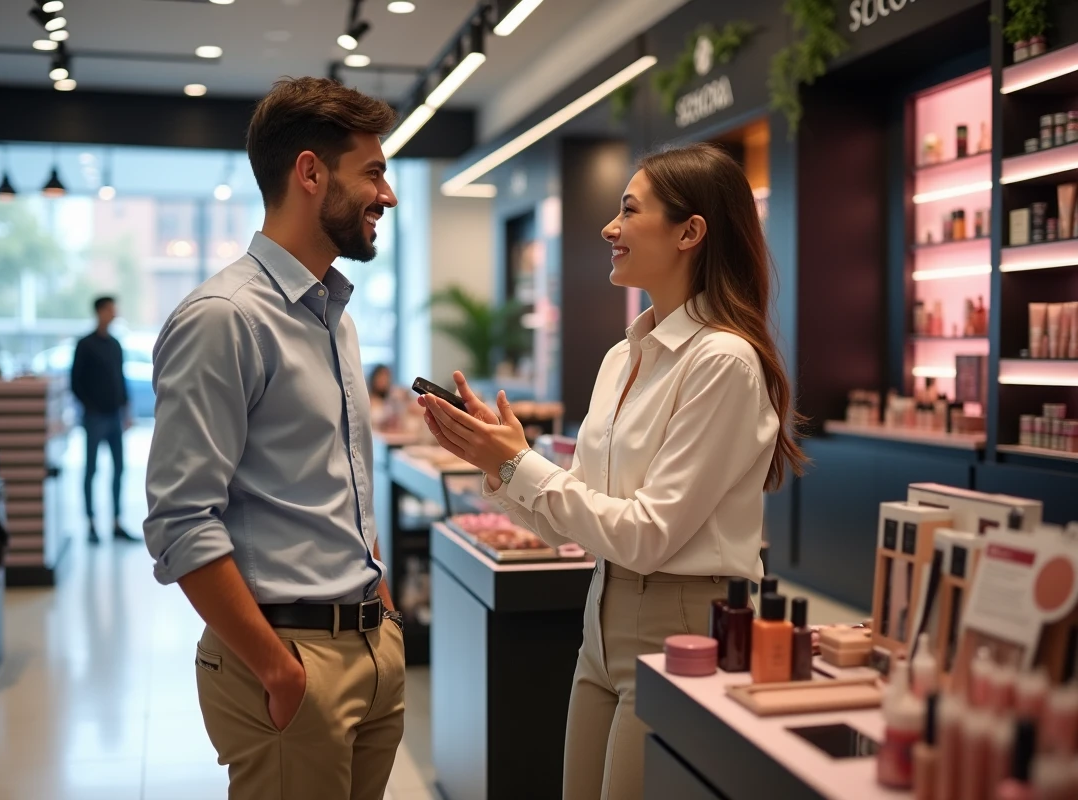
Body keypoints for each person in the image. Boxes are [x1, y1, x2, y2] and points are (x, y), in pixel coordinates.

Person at [418, 143, 806, 800]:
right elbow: (577, 518)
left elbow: (647, 534)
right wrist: (502, 465)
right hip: (600, 612)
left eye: (629, 210)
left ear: (690, 231)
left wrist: (518, 464)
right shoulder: (621, 359)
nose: (609, 228)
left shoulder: (723, 364)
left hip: (680, 621)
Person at [143, 77, 404, 800]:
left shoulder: (335, 318)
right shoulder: (225, 317)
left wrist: (378, 602)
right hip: (291, 655)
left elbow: (333, 478)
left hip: (366, 643)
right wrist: (277, 668)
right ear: (311, 173)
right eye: (375, 172)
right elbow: (180, 520)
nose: (388, 196)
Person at [70, 296, 133, 544]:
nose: (113, 313)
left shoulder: (116, 345)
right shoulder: (85, 344)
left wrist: (126, 411)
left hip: (114, 416)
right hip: (95, 417)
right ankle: (91, 523)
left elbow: (121, 378)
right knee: (91, 469)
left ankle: (116, 522)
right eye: (109, 309)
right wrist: (90, 407)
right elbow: (75, 382)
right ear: (99, 311)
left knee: (119, 469)